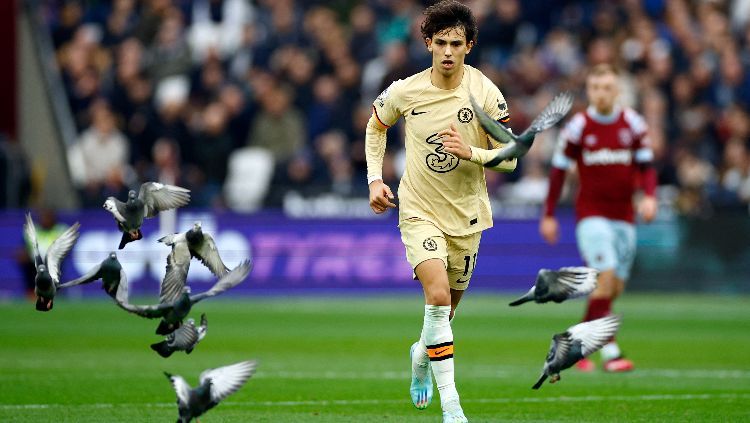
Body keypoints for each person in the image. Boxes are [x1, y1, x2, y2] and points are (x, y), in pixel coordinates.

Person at [365, 1, 519, 421]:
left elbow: (510, 158)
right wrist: (375, 180)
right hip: (418, 209)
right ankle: (452, 406)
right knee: (435, 298)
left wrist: (470, 152)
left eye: (456, 43)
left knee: (445, 314)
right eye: (440, 43)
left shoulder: (485, 93)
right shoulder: (405, 90)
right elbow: (375, 125)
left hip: (467, 217)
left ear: (469, 46)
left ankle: (420, 353)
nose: (448, 51)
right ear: (427, 43)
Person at [539, 63, 658, 373]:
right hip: (591, 215)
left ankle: (573, 342)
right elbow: (558, 171)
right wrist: (549, 213)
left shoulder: (632, 123)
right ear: (589, 91)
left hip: (624, 217)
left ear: (616, 91)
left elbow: (646, 166)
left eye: (607, 87)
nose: (601, 94)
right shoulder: (578, 127)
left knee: (612, 289)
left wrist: (649, 196)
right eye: (595, 88)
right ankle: (612, 353)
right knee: (604, 278)